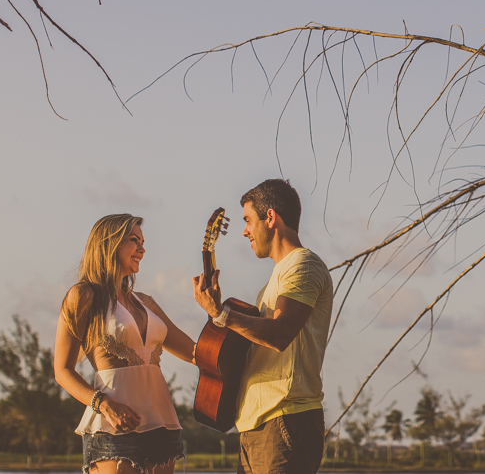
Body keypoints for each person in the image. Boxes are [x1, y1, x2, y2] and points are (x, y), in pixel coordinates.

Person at [193, 179, 333, 474]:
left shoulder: (303, 265)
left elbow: (279, 334)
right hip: (257, 424)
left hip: (285, 418)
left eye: (247, 220)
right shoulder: (274, 280)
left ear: (270, 218)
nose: (244, 230)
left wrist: (221, 314)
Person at [55, 214, 197, 474]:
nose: (142, 248)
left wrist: (217, 313)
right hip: (113, 428)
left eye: (142, 241)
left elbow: (195, 353)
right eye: (134, 240)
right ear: (109, 244)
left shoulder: (147, 302)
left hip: (162, 425)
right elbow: (62, 371)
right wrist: (104, 405)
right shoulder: (83, 296)